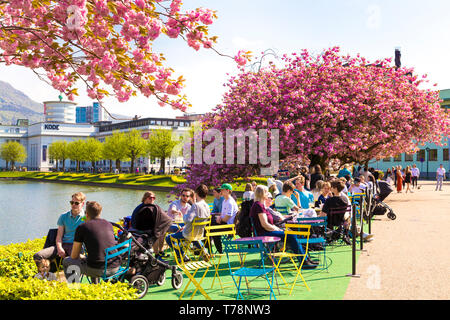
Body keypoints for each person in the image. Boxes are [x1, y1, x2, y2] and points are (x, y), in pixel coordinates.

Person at [249, 185, 318, 269]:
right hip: (264, 233)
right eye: (267, 192)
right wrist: (276, 228)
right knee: (292, 236)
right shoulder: (258, 206)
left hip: (266, 231)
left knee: (292, 235)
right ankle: (304, 261)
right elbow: (265, 224)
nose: (268, 194)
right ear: (263, 194)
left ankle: (306, 259)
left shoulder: (259, 205)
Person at [63, 201, 121, 282]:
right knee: (91, 260)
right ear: (100, 213)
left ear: (86, 214)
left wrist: (81, 256)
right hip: (115, 266)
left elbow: (74, 256)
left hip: (97, 269)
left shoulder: (82, 227)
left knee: (67, 261)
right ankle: (95, 286)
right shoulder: (108, 224)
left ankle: (74, 288)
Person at [34, 192, 86, 264]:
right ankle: (44, 274)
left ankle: (74, 274)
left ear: (82, 204)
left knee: (73, 262)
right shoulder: (63, 216)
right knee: (38, 256)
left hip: (76, 247)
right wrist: (59, 248)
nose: (73, 205)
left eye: (76, 203)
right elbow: (59, 236)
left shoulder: (86, 218)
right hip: (63, 245)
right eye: (72, 202)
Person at [165, 184, 211, 262]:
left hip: (188, 233)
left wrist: (184, 215)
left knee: (168, 238)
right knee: (192, 236)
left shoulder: (195, 205)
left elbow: (187, 220)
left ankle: (182, 255)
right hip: (200, 233)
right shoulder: (206, 206)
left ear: (196, 194)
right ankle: (204, 251)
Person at [130, 191, 173, 260]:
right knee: (156, 233)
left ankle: (160, 251)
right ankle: (156, 255)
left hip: (143, 227)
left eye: (154, 198)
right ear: (145, 198)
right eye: (150, 198)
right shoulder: (145, 208)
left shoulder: (149, 207)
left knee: (161, 232)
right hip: (140, 229)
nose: (152, 199)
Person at [210, 183, 239, 254]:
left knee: (211, 228)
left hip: (229, 226)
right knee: (209, 225)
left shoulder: (230, 202)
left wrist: (219, 219)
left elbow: (226, 219)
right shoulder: (225, 201)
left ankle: (218, 251)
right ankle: (211, 250)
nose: (221, 192)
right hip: (225, 223)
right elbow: (223, 215)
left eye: (222, 190)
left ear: (228, 191)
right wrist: (219, 217)